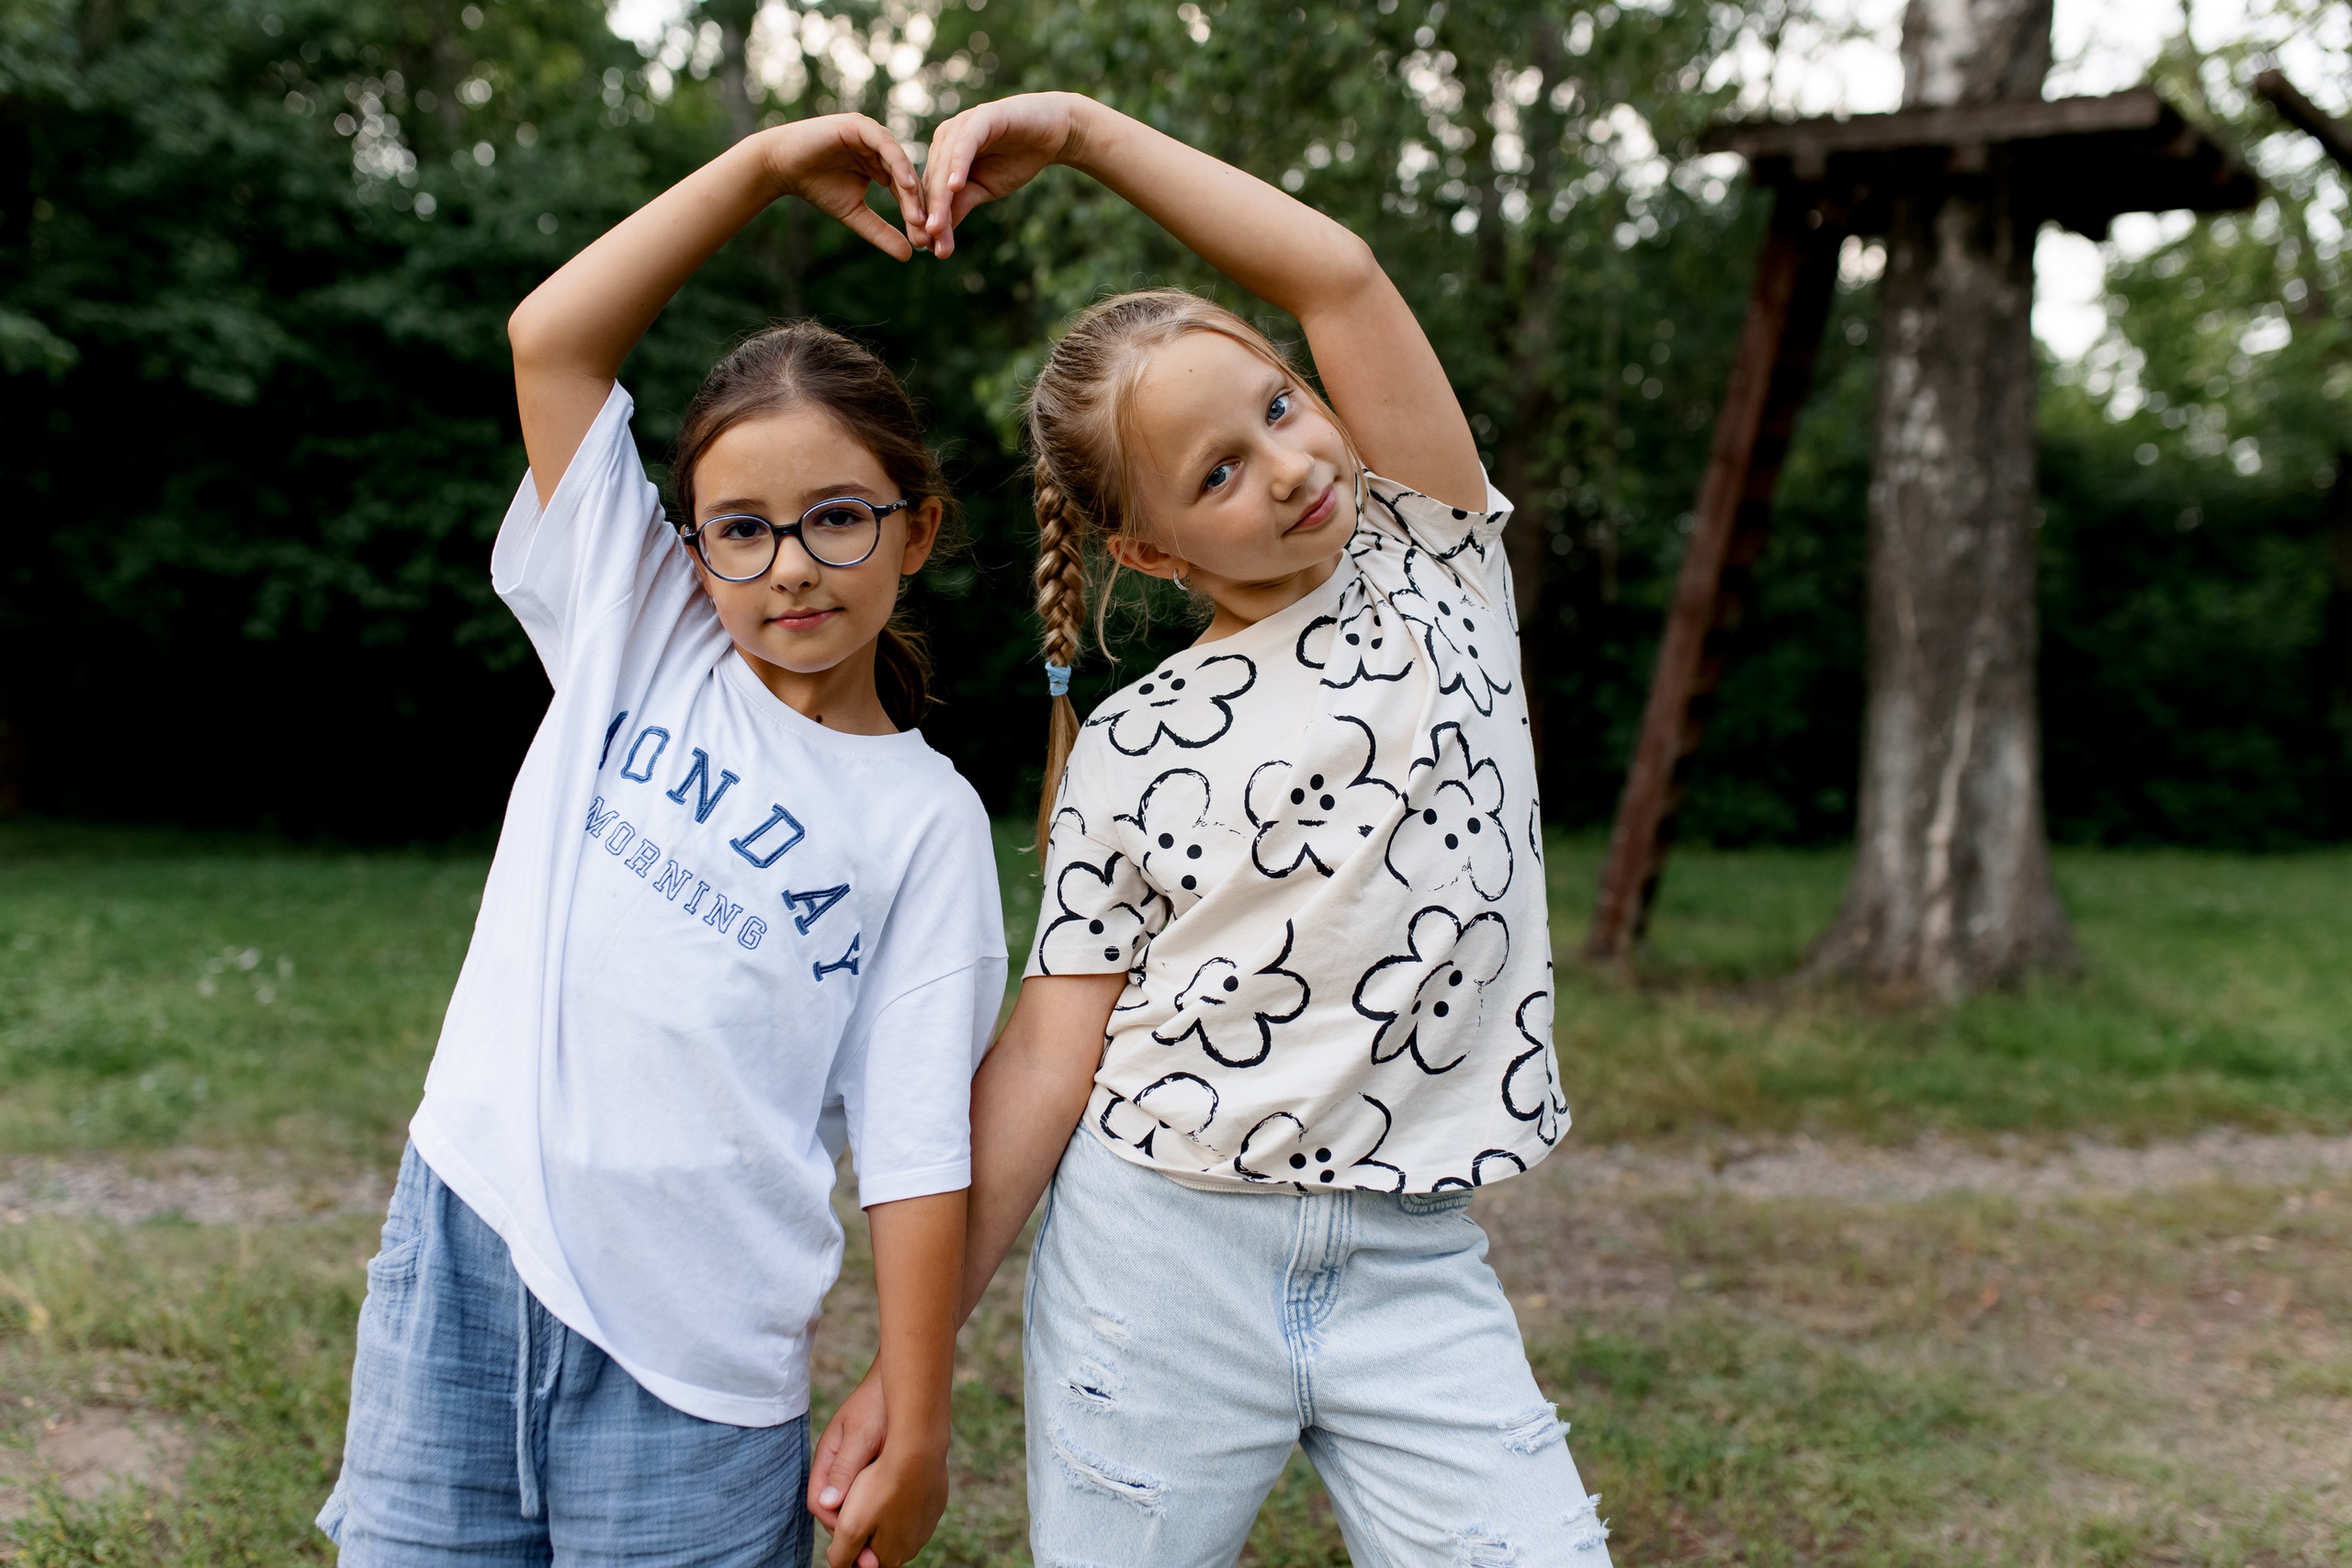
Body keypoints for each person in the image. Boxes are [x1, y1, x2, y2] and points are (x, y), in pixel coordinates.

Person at [812, 92, 1614, 1565]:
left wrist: (1088, 135)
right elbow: (1053, 1057)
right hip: (1156, 1262)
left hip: (1413, 1263)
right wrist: (908, 1366)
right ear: (1147, 548)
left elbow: (1339, 276)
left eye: (1280, 407)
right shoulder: (1130, 747)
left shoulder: (1432, 556)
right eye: (1217, 475)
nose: (1290, 465)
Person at [317, 115, 1002, 1568]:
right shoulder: (637, 629)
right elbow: (553, 342)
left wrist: (922, 1421)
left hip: (696, 1365)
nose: (791, 564)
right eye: (740, 529)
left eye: (837, 518)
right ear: (688, 550)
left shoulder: (928, 824)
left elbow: (915, 1143)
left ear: (918, 528)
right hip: (463, 1258)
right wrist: (760, 168)